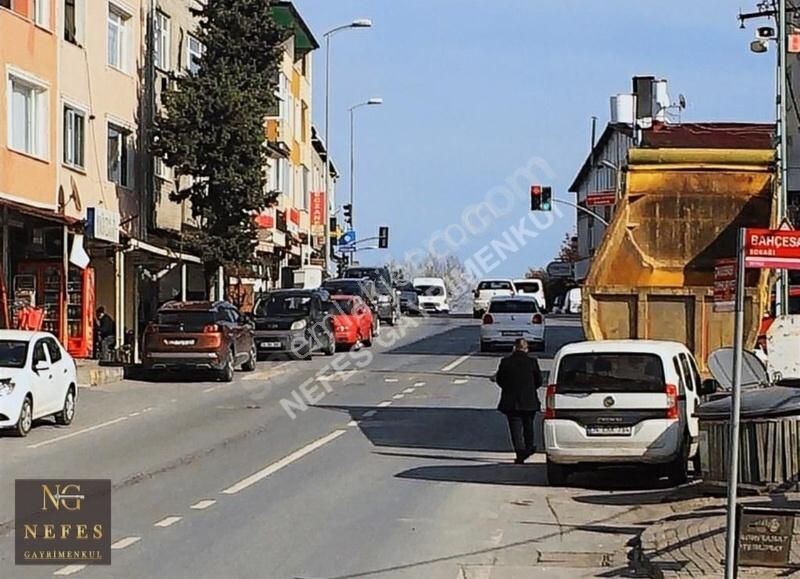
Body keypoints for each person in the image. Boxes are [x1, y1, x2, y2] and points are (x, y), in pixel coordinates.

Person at [494, 338, 543, 464]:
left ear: (514, 348)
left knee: (515, 428)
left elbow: (500, 380)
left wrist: (509, 388)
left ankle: (520, 452)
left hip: (511, 401)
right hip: (529, 400)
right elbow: (539, 381)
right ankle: (529, 447)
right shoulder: (532, 362)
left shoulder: (505, 362)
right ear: (526, 349)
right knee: (528, 426)